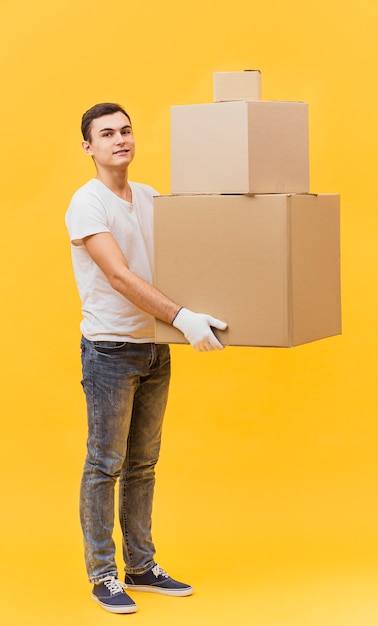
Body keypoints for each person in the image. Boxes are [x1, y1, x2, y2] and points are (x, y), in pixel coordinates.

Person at [65, 102, 227, 614]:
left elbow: (191, 252)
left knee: (144, 464)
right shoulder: (86, 203)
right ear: (89, 147)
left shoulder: (152, 198)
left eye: (127, 130)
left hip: (155, 348)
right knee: (104, 464)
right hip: (111, 349)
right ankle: (103, 574)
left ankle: (141, 565)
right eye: (107, 133)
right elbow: (118, 275)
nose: (121, 139)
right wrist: (184, 317)